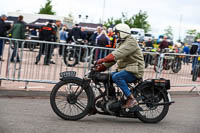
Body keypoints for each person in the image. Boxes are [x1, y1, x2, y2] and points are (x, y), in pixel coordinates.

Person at [96, 23, 145, 108]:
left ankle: (131, 99)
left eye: (117, 33)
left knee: (116, 77)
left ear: (123, 32)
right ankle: (111, 98)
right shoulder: (121, 42)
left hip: (135, 70)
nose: (115, 35)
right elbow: (114, 59)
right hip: (127, 69)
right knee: (106, 77)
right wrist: (101, 67)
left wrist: (103, 60)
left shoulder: (131, 42)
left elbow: (116, 54)